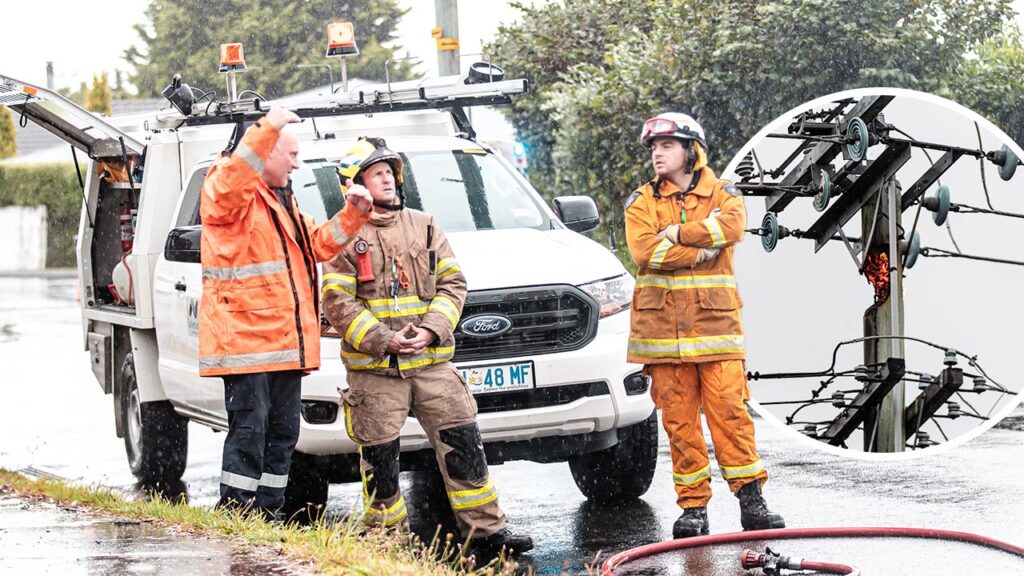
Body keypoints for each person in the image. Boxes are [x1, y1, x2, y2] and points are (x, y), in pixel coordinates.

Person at [321, 136, 533, 556]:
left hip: (433, 365)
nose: (387, 179)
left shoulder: (426, 225)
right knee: (380, 466)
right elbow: (337, 303)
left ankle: (487, 534)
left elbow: (453, 284)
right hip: (375, 373)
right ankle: (386, 546)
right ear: (354, 185)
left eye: (389, 172)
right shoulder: (342, 236)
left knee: (465, 449)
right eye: (376, 173)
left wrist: (432, 330)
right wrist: (384, 340)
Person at [199, 107, 373, 518]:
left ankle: (268, 512)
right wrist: (269, 126)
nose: (297, 164)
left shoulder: (283, 201)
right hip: (247, 344)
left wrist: (353, 212)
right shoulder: (226, 190)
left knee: (282, 433)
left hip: (282, 344)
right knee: (250, 431)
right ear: (268, 152)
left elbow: (319, 243)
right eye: (292, 154)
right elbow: (234, 180)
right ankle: (236, 512)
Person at [624, 112, 785, 538]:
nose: (657, 154)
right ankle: (693, 508)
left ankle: (752, 501)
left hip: (716, 330)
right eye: (654, 148)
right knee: (680, 425)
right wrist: (699, 247)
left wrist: (675, 233)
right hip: (663, 336)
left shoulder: (722, 192)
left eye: (667, 146)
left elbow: (732, 226)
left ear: (691, 151)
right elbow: (645, 253)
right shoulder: (641, 201)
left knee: (731, 415)